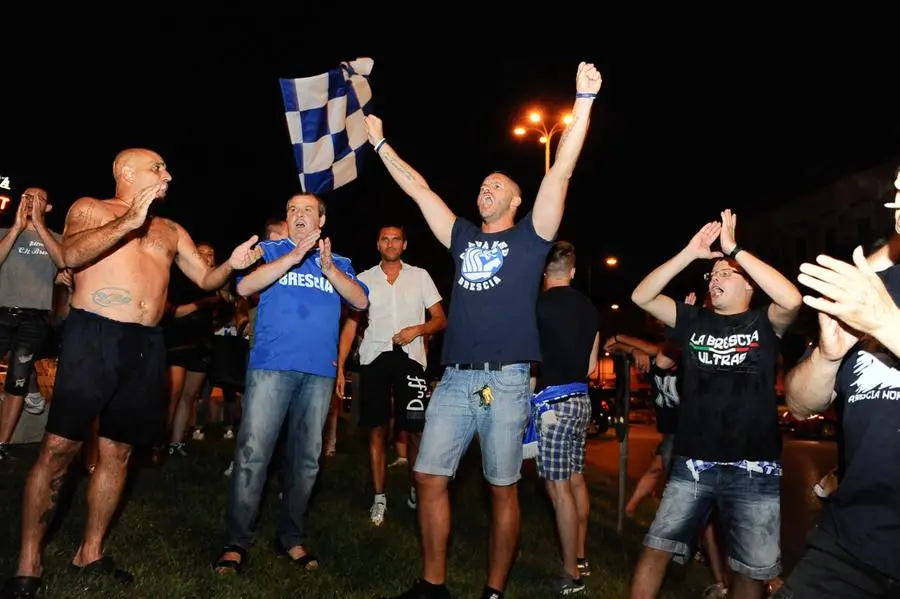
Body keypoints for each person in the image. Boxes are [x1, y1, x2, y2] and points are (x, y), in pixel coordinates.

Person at [364, 61, 602, 599]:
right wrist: (381, 145)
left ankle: (494, 590)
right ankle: (433, 585)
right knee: (427, 478)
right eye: (483, 183)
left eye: (497, 185)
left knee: (501, 489)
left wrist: (582, 103)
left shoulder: (533, 235)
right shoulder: (463, 236)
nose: (485, 188)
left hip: (509, 383)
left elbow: (560, 171)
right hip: (453, 381)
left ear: (516, 202)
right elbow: (418, 189)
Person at [0, 148, 262, 599]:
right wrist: (129, 220)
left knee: (118, 452)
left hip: (145, 344)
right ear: (125, 172)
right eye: (157, 167)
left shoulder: (170, 228)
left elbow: (205, 279)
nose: (168, 174)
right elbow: (69, 254)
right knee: (60, 447)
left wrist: (230, 267)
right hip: (93, 335)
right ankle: (29, 560)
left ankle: (91, 551)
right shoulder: (91, 208)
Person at [628, 210, 803, 599]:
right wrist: (691, 253)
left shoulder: (763, 323)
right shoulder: (693, 322)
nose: (716, 279)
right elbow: (641, 296)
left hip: (754, 469)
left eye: (727, 274)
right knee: (657, 548)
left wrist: (735, 250)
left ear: (749, 286)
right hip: (693, 463)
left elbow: (792, 298)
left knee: (748, 572)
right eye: (714, 275)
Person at [213, 192, 369, 575]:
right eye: (292, 210)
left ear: (321, 220)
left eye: (307, 210)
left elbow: (361, 302)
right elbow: (244, 288)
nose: (298, 215)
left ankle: (292, 537)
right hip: (271, 367)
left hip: (318, 373)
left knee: (305, 461)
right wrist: (292, 257)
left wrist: (330, 270)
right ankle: (236, 541)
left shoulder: (340, 261)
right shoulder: (270, 250)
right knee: (253, 455)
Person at [774, 169, 900, 598]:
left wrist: (886, 325)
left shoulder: (878, 308)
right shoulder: (871, 293)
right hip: (853, 541)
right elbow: (800, 404)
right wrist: (827, 356)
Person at [337, 224, 446, 525]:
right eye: (385, 238)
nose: (390, 243)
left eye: (396, 238)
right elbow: (351, 325)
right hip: (374, 356)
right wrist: (341, 365)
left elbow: (440, 319)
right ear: (378, 244)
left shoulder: (419, 276)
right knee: (376, 429)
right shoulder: (363, 279)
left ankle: (416, 488)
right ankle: (379, 497)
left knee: (415, 429)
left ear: (404, 244)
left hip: (411, 358)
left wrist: (417, 329)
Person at [532, 240, 599, 595]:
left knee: (558, 491)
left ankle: (571, 574)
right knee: (575, 480)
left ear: (546, 273)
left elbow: (530, 360)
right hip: (581, 401)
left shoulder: (538, 307)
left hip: (552, 405)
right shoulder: (590, 310)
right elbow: (590, 366)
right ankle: (582, 555)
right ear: (572, 272)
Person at [0, 188, 66, 460]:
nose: (30, 202)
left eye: (38, 198)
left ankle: (1, 444)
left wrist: (38, 226)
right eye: (27, 197)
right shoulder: (4, 231)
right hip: (1, 311)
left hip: (33, 318)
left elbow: (63, 261)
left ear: (48, 207)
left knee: (17, 378)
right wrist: (16, 229)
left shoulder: (58, 240)